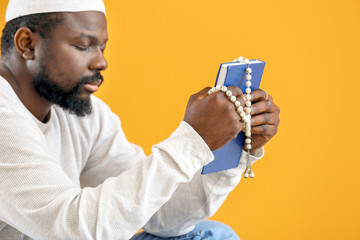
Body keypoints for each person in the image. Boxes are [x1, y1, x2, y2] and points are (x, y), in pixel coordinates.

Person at [0, 0, 280, 239]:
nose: (101, 62)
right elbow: (73, 230)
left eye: (102, 48)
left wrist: (226, 145)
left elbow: (162, 216)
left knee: (208, 235)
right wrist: (192, 141)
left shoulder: (84, 113)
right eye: (84, 46)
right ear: (27, 44)